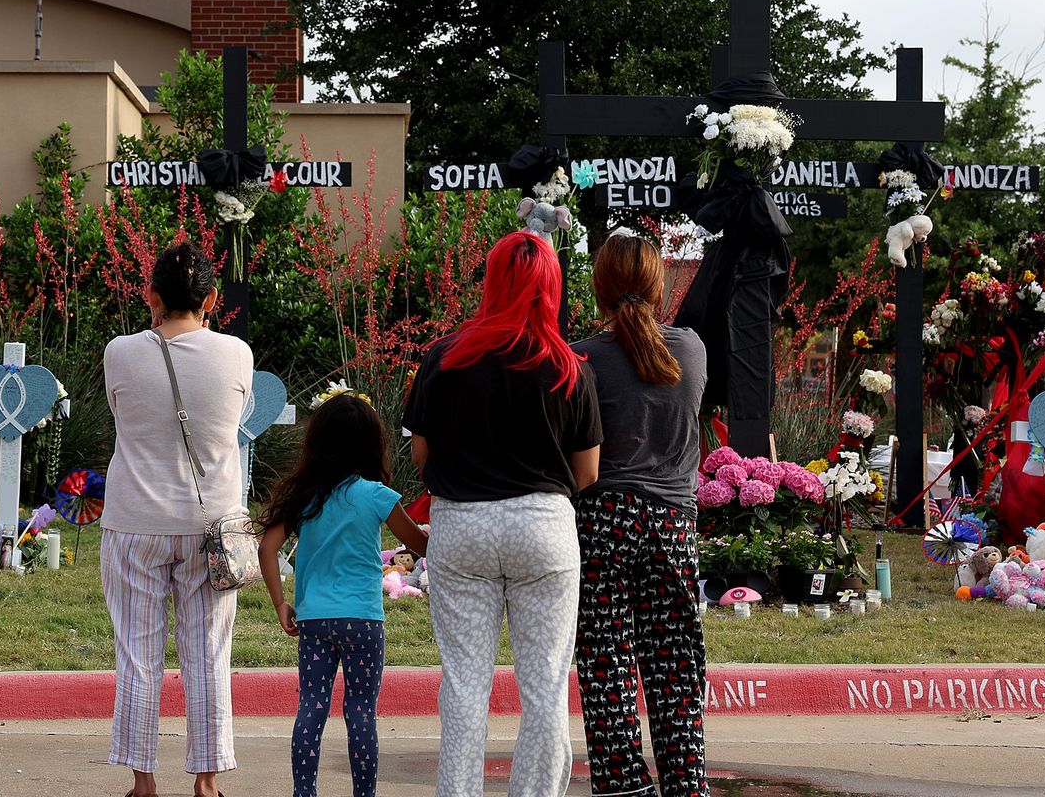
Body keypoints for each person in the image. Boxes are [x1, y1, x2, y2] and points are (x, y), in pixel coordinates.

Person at [401, 230, 602, 797]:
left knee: (465, 683)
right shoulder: (570, 367)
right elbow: (587, 473)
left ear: (490, 282)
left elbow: (421, 454)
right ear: (552, 289)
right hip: (543, 528)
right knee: (545, 686)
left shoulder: (445, 357)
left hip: (463, 527)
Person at [101, 241, 253, 797]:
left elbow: (125, 415)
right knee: (208, 654)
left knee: (139, 655)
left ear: (152, 296)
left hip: (135, 520)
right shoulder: (237, 354)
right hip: (213, 529)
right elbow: (234, 419)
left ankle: (143, 783)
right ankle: (207, 783)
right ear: (212, 297)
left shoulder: (121, 352)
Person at [569, 232, 711, 797]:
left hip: (602, 518)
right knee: (675, 662)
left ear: (600, 289)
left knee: (606, 663)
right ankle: (685, 782)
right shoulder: (692, 350)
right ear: (659, 286)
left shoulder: (583, 358)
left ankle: (624, 785)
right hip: (672, 521)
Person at [257, 393, 430, 797]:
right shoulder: (376, 496)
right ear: (371, 443)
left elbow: (267, 547)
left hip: (314, 619)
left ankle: (305, 792)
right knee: (361, 713)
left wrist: (280, 601)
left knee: (311, 709)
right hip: (364, 621)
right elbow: (419, 547)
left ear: (318, 441)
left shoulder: (306, 495)